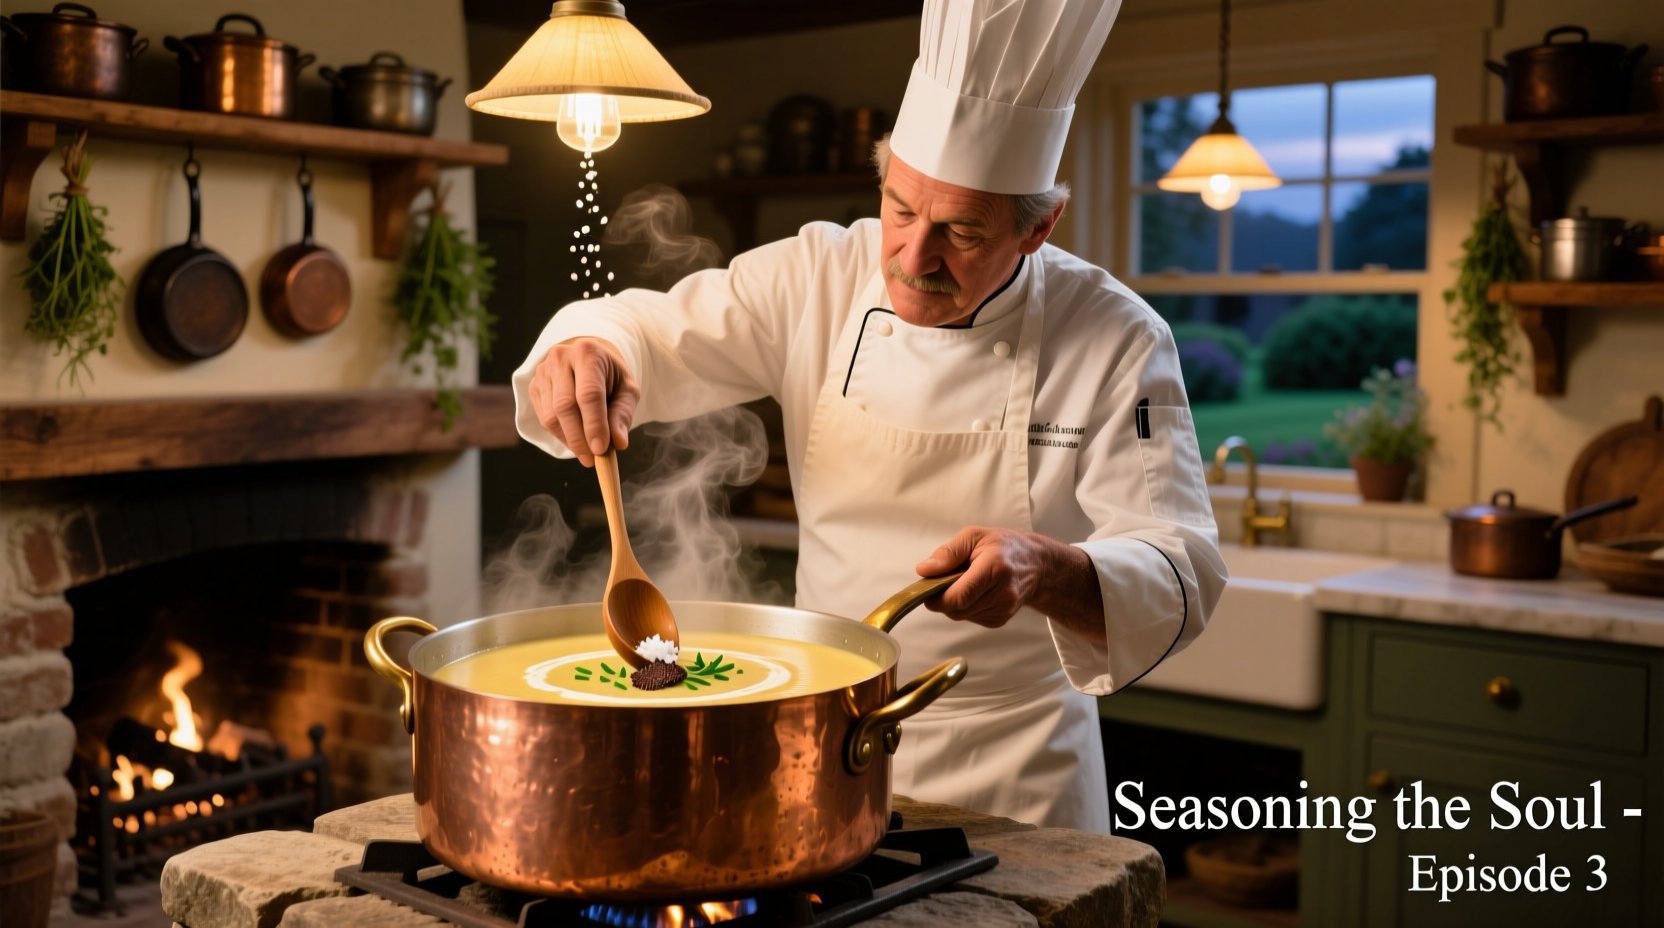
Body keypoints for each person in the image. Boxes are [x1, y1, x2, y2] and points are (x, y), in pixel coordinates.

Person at [514, 0, 1226, 833]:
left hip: (1016, 770)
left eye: (961, 231)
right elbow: (645, 326)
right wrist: (590, 346)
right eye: (900, 210)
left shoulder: (1115, 336)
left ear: (1039, 228)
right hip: (823, 741)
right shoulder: (815, 274)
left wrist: (1047, 568)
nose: (913, 257)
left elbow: (1181, 570)